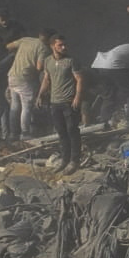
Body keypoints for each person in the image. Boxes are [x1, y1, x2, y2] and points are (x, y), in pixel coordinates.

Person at [37, 34, 84, 174]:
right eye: (60, 45)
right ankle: (65, 159)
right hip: (55, 102)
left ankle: (75, 160)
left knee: (72, 131)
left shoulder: (71, 61)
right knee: (61, 132)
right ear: (52, 46)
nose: (64, 47)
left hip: (69, 101)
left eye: (65, 45)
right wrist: (40, 95)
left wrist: (78, 97)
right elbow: (46, 79)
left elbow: (80, 79)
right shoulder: (47, 61)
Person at [5, 29, 54, 142]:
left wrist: (21, 56)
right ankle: (25, 133)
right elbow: (38, 67)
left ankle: (13, 134)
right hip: (25, 78)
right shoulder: (44, 48)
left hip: (12, 75)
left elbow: (8, 46)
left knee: (14, 106)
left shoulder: (26, 40)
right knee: (26, 108)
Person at [89, 42, 129, 125]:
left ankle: (104, 120)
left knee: (109, 95)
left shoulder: (126, 48)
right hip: (114, 66)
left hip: (99, 66)